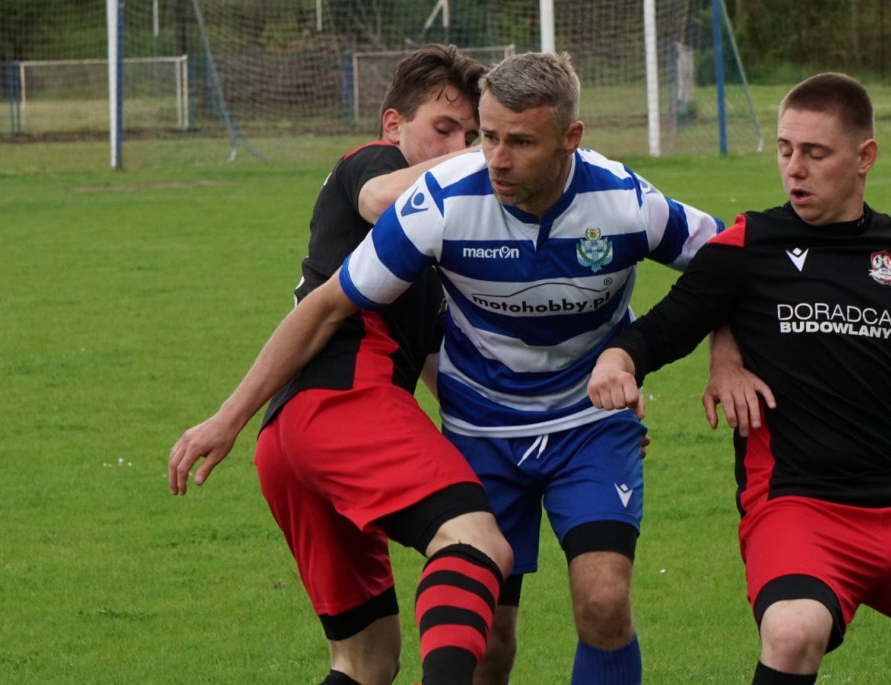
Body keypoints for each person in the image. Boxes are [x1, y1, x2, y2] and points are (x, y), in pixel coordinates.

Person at [176, 50, 758, 684]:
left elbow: (727, 264)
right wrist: (229, 418)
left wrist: (724, 358)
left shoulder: (623, 200)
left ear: (571, 139)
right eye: (487, 137)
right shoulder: (442, 202)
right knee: (487, 641)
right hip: (482, 431)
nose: (495, 158)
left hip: (589, 428)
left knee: (604, 602)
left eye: (520, 141)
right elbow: (326, 307)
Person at [587, 72, 891, 685]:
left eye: (815, 153)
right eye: (785, 150)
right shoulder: (750, 244)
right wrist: (617, 364)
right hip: (797, 505)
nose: (795, 169)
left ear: (864, 156)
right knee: (793, 633)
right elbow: (656, 333)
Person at [168, 44, 513, 685]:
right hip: (345, 404)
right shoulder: (372, 164)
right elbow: (384, 197)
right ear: (392, 125)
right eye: (445, 129)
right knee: (477, 542)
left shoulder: (429, 255)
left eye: (472, 133)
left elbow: (446, 376)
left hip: (292, 438)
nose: (458, 146)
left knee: (366, 661)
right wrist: (492, 150)